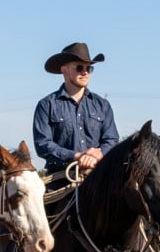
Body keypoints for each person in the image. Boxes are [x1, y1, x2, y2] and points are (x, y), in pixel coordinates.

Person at [32, 42, 119, 178]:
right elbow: (42, 144)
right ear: (64, 70)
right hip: (60, 177)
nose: (85, 72)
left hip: (98, 178)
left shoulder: (103, 105)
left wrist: (99, 153)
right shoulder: (46, 105)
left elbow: (112, 139)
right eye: (79, 67)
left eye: (88, 68)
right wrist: (77, 156)